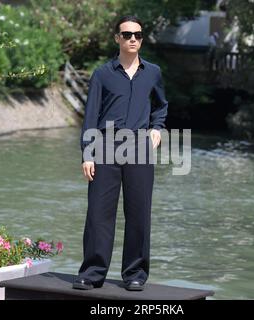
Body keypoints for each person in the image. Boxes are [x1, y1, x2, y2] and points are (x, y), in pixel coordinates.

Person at [73, 15, 168, 291]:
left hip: (139, 146)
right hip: (104, 145)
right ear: (117, 38)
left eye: (137, 35)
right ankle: (91, 273)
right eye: (127, 35)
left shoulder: (153, 72)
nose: (132, 39)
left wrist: (157, 128)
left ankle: (135, 274)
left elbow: (161, 105)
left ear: (142, 38)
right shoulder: (102, 74)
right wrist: (87, 154)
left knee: (139, 212)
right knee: (99, 213)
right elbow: (90, 116)